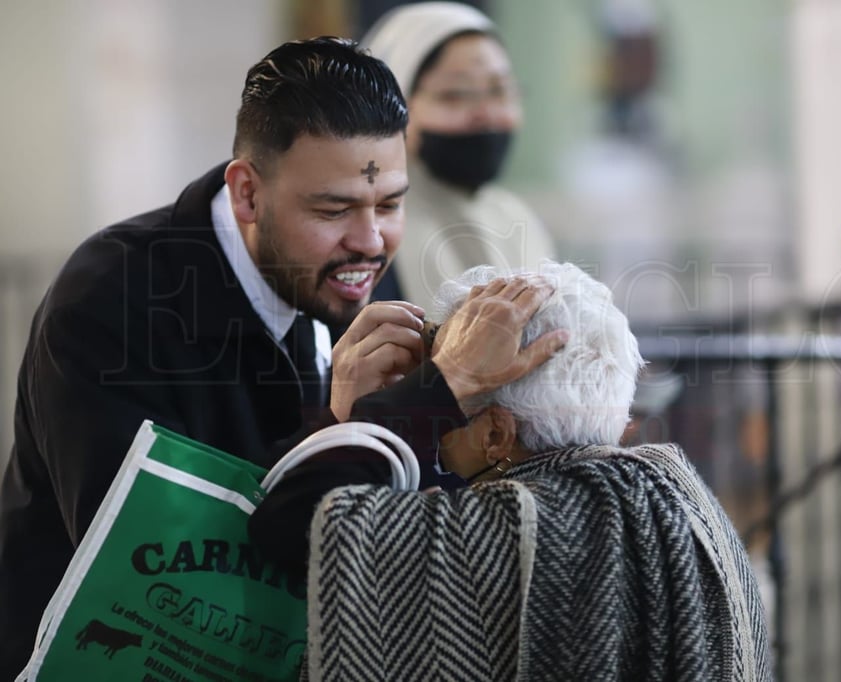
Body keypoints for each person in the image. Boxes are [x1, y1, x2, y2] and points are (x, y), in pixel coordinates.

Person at [0, 37, 566, 680]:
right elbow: (166, 575)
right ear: (247, 194)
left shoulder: (340, 270)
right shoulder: (115, 299)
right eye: (332, 209)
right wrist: (370, 422)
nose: (371, 242)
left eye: (390, 203)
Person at [252, 262, 772, 681]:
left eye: (453, 398)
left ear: (497, 435)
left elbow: (292, 520)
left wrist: (400, 397)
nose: (441, 410)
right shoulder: (684, 499)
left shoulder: (493, 533)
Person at [361, 2, 557, 309]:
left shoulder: (517, 219)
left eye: (500, 90)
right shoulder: (368, 232)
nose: (486, 114)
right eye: (456, 94)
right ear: (393, 104)